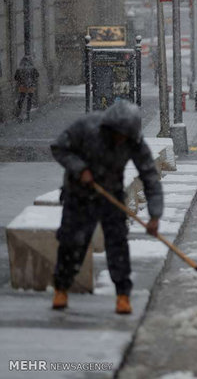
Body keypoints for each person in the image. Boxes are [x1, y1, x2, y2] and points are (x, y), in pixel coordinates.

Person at [50, 101, 163, 314]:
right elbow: (59, 147)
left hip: (111, 197)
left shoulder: (133, 141)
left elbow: (150, 176)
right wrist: (80, 168)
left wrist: (155, 215)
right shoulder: (86, 127)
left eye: (126, 137)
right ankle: (61, 288)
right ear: (109, 129)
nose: (122, 141)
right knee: (72, 243)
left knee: (118, 245)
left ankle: (122, 295)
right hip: (79, 196)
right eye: (119, 135)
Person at [14, 55, 39, 122]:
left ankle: (20, 115)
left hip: (22, 86)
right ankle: (28, 115)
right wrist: (32, 80)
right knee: (29, 100)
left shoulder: (19, 68)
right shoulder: (32, 67)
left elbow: (15, 77)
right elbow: (37, 75)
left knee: (21, 100)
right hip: (31, 86)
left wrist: (21, 80)